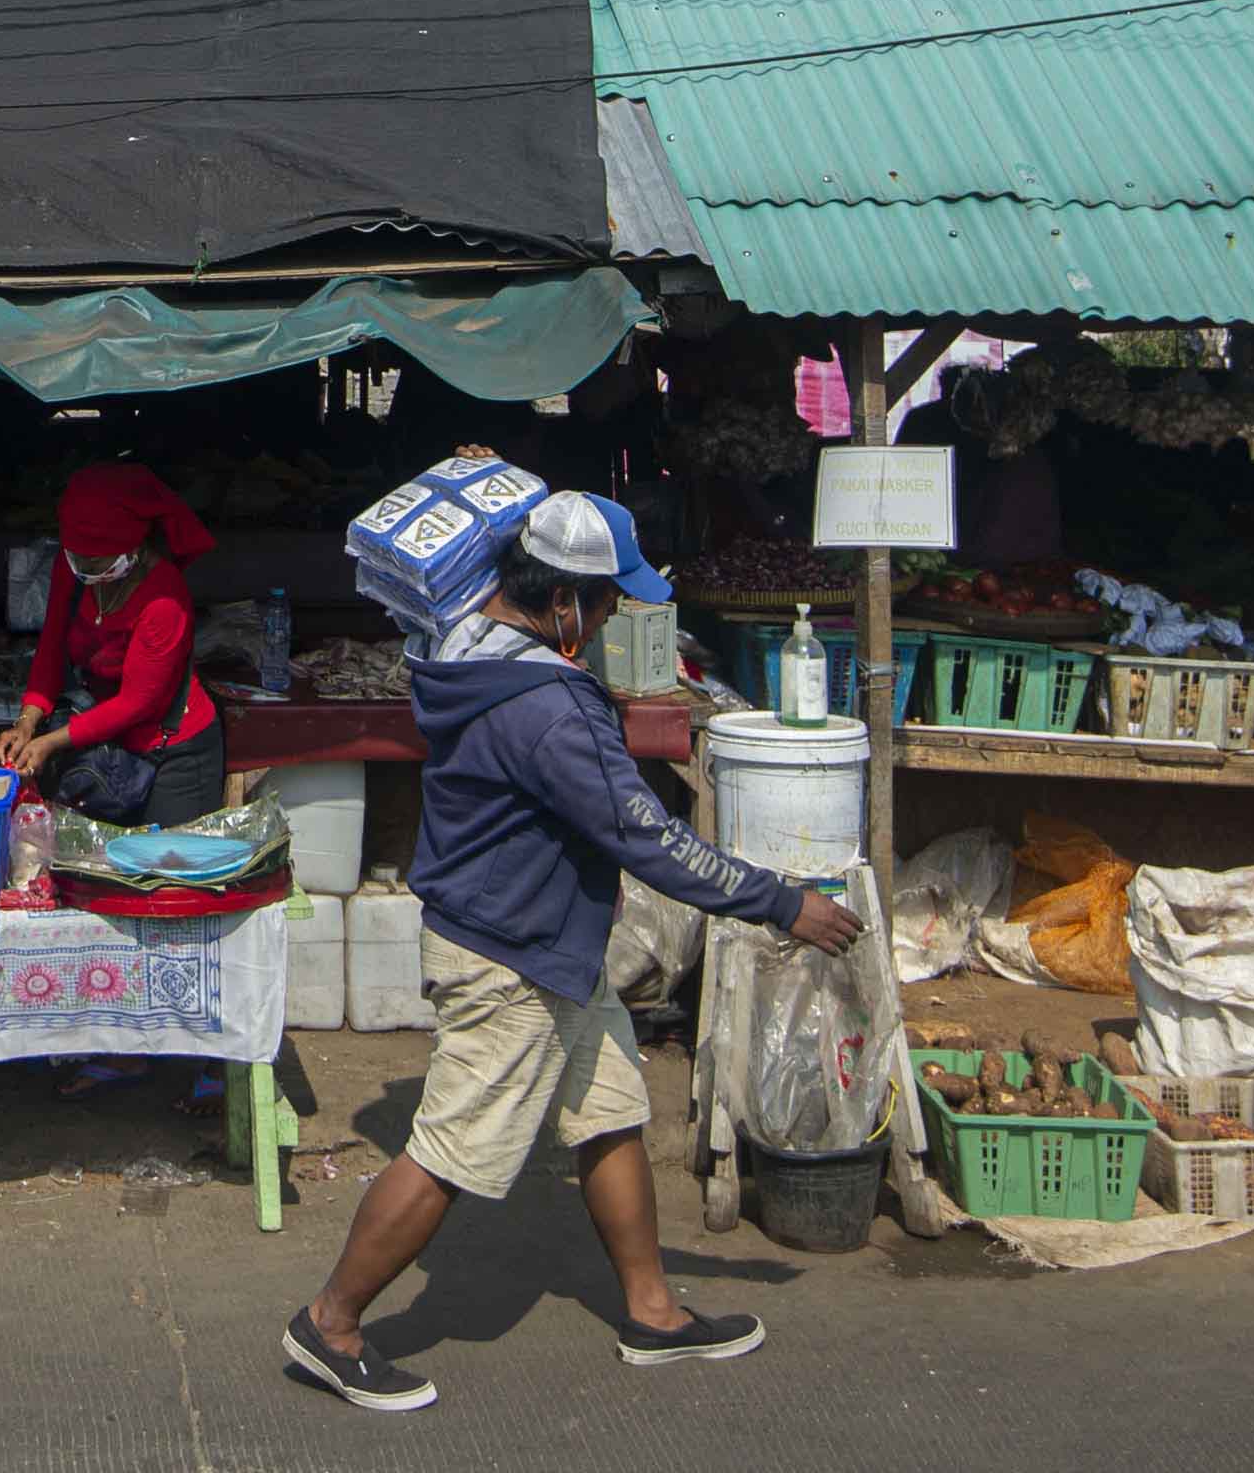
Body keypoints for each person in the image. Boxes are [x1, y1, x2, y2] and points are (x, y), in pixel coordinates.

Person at [287, 494, 862, 1413]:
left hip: (541, 935)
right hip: (509, 954)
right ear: (561, 600)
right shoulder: (550, 710)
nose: (608, 623)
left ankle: (653, 1313)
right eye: (602, 606)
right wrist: (779, 902)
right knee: (453, 1152)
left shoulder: (461, 634)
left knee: (609, 1110)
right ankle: (332, 1323)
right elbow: (650, 840)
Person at [0, 463, 224, 825]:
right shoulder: (74, 567)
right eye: (76, 557)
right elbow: (51, 647)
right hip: (106, 747)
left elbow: (136, 703)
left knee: (163, 871)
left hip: (171, 753)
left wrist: (49, 743)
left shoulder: (165, 598)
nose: (84, 570)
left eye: (96, 562)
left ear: (135, 549)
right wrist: (27, 721)